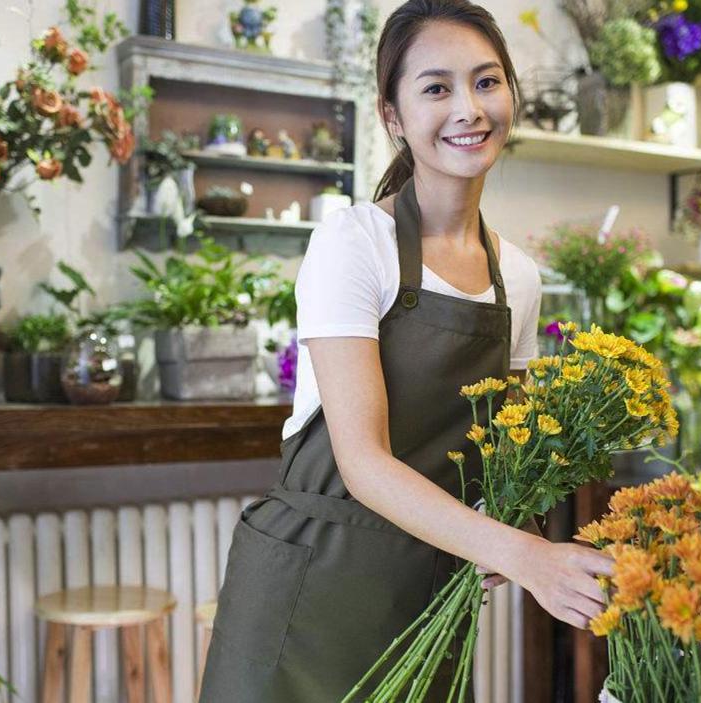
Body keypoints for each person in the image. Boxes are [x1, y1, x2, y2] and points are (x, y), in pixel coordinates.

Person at [199, 1, 614, 699]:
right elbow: (362, 462)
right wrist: (523, 555)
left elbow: (503, 444)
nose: (468, 109)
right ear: (392, 116)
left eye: (487, 82)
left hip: (426, 592)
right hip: (309, 590)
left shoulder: (517, 277)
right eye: (436, 88)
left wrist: (517, 513)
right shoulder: (353, 242)